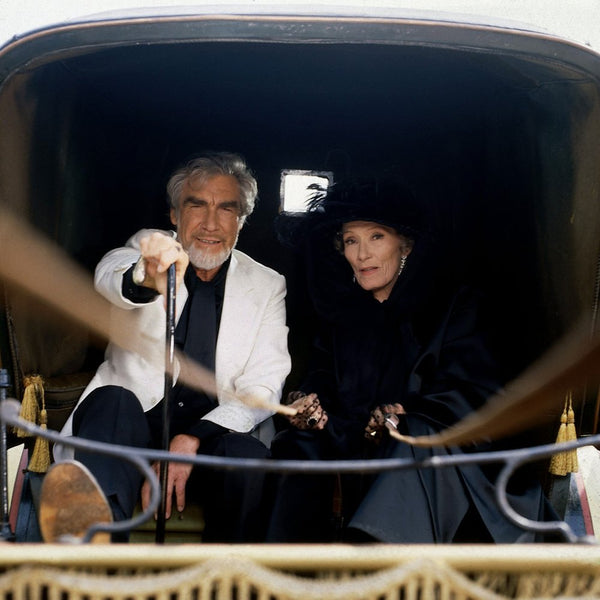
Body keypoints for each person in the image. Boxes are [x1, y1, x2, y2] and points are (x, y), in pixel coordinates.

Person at [266, 176, 552, 543]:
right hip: (352, 442)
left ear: (405, 245)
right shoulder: (342, 319)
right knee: (295, 447)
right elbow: (322, 378)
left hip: (438, 452)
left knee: (413, 439)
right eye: (351, 240)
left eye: (376, 237)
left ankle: (378, 562)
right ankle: (287, 570)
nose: (362, 254)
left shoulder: (455, 306)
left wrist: (402, 417)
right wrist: (307, 405)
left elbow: (471, 394)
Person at [50, 152, 291, 543]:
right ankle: (97, 553)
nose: (210, 223)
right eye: (197, 205)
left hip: (211, 440)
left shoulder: (267, 284)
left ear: (241, 220)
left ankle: (227, 571)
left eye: (226, 209)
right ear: (175, 215)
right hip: (130, 438)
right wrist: (147, 277)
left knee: (245, 455)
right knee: (112, 401)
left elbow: (264, 385)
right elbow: (111, 276)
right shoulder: (145, 250)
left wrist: (191, 438)